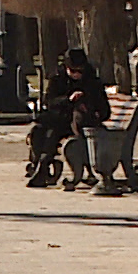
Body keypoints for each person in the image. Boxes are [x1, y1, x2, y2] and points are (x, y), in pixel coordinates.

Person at [26, 47, 110, 188]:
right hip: (59, 120)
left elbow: (104, 110)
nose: (77, 74)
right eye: (73, 70)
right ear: (66, 68)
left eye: (80, 71)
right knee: (38, 131)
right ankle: (39, 166)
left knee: (53, 135)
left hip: (80, 125)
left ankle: (43, 167)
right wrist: (68, 100)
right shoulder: (58, 79)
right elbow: (49, 102)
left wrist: (86, 104)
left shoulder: (93, 82)